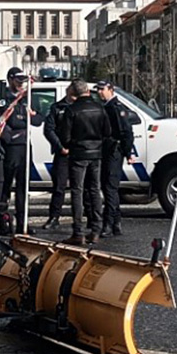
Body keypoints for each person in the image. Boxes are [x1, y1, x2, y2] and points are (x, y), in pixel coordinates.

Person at [54, 80, 111, 244]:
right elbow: (107, 131)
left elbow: (65, 137)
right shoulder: (99, 108)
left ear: (74, 92)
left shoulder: (71, 110)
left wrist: (71, 144)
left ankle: (78, 231)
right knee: (95, 190)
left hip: (78, 153)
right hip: (96, 152)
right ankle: (96, 229)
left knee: (77, 191)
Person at [0, 68, 32, 233]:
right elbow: (3, 123)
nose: (21, 84)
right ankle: (3, 221)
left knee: (23, 188)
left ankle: (22, 223)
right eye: (18, 81)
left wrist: (29, 116)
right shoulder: (6, 99)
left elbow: (37, 118)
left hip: (25, 146)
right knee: (6, 186)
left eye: (23, 81)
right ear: (10, 79)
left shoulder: (25, 98)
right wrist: (14, 132)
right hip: (11, 148)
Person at [97, 81, 133, 236]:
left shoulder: (115, 108)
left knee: (110, 188)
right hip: (108, 150)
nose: (99, 92)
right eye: (98, 89)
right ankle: (116, 221)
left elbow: (126, 132)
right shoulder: (107, 107)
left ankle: (108, 223)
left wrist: (128, 152)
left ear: (110, 90)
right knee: (108, 187)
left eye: (102, 89)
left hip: (114, 151)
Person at [40, 83, 74, 230]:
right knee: (59, 187)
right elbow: (49, 129)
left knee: (81, 189)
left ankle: (87, 218)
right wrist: (60, 147)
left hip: (79, 152)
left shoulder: (81, 106)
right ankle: (54, 217)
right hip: (62, 153)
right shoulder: (57, 108)